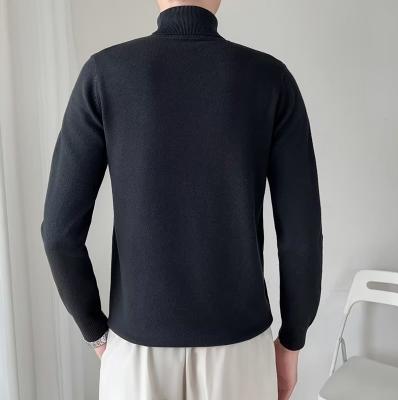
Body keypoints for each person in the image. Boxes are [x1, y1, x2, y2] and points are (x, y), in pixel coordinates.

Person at [40, 1, 323, 399]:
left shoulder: (104, 74)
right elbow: (301, 236)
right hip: (240, 351)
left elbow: (58, 233)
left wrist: (96, 333)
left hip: (135, 353)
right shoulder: (270, 79)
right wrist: (292, 341)